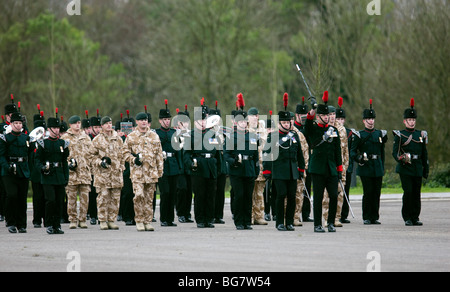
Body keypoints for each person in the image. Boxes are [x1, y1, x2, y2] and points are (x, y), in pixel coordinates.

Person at [263, 93, 306, 231]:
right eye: (285, 123)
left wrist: (301, 169)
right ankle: (279, 222)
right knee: (281, 195)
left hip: (292, 171)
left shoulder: (294, 135)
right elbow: (267, 154)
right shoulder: (273, 136)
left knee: (292, 197)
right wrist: (267, 171)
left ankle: (290, 222)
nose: (287, 125)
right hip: (279, 171)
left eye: (289, 122)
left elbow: (299, 154)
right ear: (280, 123)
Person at [304, 91, 343, 233]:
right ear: (318, 117)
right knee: (319, 197)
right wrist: (312, 112)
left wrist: (339, 169)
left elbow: (337, 151)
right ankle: (317, 224)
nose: (327, 118)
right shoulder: (313, 128)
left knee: (333, 195)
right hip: (318, 169)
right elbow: (306, 128)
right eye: (324, 116)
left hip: (331, 168)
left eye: (328, 115)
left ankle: (331, 222)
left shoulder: (333, 130)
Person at [123, 112, 164, 232]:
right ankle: (139, 220)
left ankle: (147, 221)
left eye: (145, 120)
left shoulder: (154, 136)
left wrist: (160, 170)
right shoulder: (131, 136)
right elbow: (124, 153)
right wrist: (133, 159)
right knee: (139, 196)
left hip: (151, 173)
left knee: (149, 198)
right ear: (137, 122)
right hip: (137, 173)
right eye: (141, 120)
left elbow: (159, 155)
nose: (144, 122)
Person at [183, 99, 219, 228]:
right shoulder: (191, 135)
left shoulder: (213, 134)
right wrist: (190, 164)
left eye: (204, 120)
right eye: (200, 121)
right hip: (198, 167)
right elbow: (186, 154)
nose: (202, 123)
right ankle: (200, 219)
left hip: (211, 166)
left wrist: (219, 169)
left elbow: (218, 153)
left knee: (211, 194)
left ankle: (209, 218)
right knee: (200, 194)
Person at [350, 99, 387, 225]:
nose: (371, 121)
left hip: (377, 166)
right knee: (368, 192)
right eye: (368, 119)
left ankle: (374, 216)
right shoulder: (359, 135)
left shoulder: (379, 134)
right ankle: (367, 216)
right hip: (365, 166)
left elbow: (382, 152)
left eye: (372, 119)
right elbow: (352, 152)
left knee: (376, 193)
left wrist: (383, 167)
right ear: (364, 121)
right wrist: (359, 158)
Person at [224, 95, 259, 230]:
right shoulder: (231, 137)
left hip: (249, 169)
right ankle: (239, 221)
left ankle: (247, 221)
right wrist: (233, 162)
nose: (243, 124)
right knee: (239, 196)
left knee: (248, 197)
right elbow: (226, 155)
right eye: (241, 122)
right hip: (237, 170)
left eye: (245, 122)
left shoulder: (252, 136)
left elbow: (255, 155)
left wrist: (256, 170)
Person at [392, 98, 429, 226]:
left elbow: (424, 153)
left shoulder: (421, 135)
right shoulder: (400, 135)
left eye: (413, 120)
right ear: (405, 121)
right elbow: (395, 153)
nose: (412, 122)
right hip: (405, 167)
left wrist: (426, 168)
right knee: (408, 192)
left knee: (416, 193)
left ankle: (415, 217)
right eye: (409, 120)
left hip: (417, 167)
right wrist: (401, 158)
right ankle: (407, 216)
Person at [35, 110, 70, 234]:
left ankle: (57, 225)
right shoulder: (43, 143)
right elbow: (37, 160)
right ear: (49, 129)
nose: (56, 130)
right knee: (50, 200)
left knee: (60, 201)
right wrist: (42, 167)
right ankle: (49, 224)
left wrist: (66, 176)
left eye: (57, 127)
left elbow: (65, 161)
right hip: (48, 175)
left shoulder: (63, 143)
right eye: (53, 128)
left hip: (59, 175)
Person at [0, 111, 32, 233]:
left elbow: (29, 154)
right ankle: (11, 222)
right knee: (12, 195)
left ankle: (21, 224)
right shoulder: (5, 138)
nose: (18, 125)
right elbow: (1, 155)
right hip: (9, 171)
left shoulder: (26, 138)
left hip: (23, 169)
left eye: (20, 123)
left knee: (21, 198)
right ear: (11, 124)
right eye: (16, 123)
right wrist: (6, 166)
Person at [91, 116, 125, 230]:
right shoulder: (97, 140)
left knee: (115, 198)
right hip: (103, 174)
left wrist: (121, 166)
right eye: (106, 123)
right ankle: (102, 220)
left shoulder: (118, 139)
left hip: (116, 174)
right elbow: (91, 156)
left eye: (110, 123)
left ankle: (111, 220)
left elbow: (122, 154)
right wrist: (100, 162)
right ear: (102, 126)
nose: (109, 125)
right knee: (103, 197)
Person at [61, 115, 94, 229]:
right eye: (75, 123)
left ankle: (83, 219)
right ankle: (73, 219)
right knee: (71, 198)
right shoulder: (65, 138)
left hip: (84, 173)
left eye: (79, 123)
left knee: (85, 198)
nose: (77, 125)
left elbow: (91, 153)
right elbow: (61, 155)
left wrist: (90, 167)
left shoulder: (86, 137)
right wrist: (68, 163)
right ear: (70, 125)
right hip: (72, 174)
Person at [156, 100, 182, 227]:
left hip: (173, 165)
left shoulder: (174, 133)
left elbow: (178, 151)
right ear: (160, 121)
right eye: (164, 119)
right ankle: (163, 218)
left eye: (168, 119)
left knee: (172, 193)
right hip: (162, 165)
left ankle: (170, 219)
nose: (167, 121)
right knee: (165, 192)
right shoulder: (156, 133)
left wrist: (180, 166)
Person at [322, 104, 349, 228]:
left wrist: (345, 166)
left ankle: (336, 218)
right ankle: (326, 217)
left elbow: (345, 151)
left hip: (340, 166)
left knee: (339, 194)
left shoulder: (341, 129)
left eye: (334, 115)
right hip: (327, 165)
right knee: (326, 195)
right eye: (330, 114)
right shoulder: (325, 128)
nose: (332, 117)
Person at [247, 106, 268, 226]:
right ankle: (249, 215)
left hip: (261, 164)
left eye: (256, 116)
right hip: (250, 164)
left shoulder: (262, 130)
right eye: (252, 116)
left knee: (259, 192)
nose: (254, 118)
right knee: (250, 191)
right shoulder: (246, 129)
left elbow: (265, 145)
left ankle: (259, 215)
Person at [294, 97, 313, 223]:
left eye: (305, 114)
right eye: (300, 114)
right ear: (296, 115)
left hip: (308, 161)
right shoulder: (293, 127)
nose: (302, 117)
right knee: (296, 190)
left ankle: (305, 214)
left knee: (307, 188)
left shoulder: (309, 127)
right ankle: (295, 214)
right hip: (296, 162)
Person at [173, 105, 194, 223]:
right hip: (179, 166)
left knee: (189, 190)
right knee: (182, 188)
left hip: (189, 166)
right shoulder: (175, 135)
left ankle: (187, 213)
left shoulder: (191, 135)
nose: (184, 124)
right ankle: (180, 212)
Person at [335, 98, 354, 224]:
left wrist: (348, 165)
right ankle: (336, 214)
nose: (341, 121)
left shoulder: (349, 133)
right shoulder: (334, 130)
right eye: (338, 119)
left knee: (345, 190)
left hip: (346, 165)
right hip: (336, 164)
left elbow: (350, 150)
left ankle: (344, 214)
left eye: (342, 119)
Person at [209, 102, 228, 224]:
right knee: (211, 190)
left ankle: (218, 215)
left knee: (220, 190)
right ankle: (210, 214)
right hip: (211, 163)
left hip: (222, 162)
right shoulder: (206, 132)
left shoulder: (225, 132)